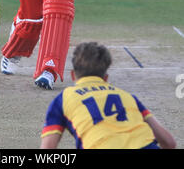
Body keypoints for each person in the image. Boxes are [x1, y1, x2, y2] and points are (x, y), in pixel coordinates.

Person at [40, 42, 177, 149]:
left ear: (72, 75)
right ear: (106, 78)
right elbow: (169, 143)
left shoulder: (63, 99)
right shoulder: (127, 97)